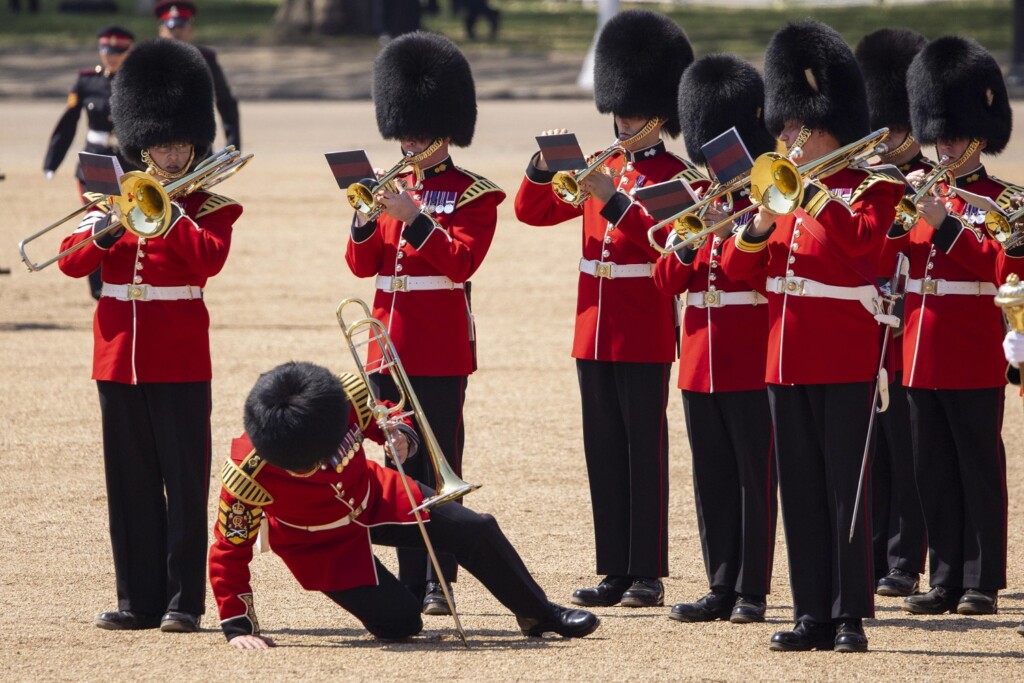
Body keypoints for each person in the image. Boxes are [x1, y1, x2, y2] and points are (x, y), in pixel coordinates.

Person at [719, 20, 903, 652]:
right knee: (797, 486)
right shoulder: (780, 191)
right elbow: (739, 270)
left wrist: (813, 194)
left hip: (845, 348)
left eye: (797, 128)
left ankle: (850, 613)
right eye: (785, 128)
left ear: (827, 125)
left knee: (842, 486)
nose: (788, 139)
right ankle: (810, 613)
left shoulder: (876, 185)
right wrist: (763, 220)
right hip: (783, 352)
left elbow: (863, 251)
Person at [208, 361, 600, 648]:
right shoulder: (248, 472)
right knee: (401, 622)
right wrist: (239, 626)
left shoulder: (338, 400)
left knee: (474, 528)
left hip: (375, 497)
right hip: (320, 545)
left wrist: (401, 437)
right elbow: (230, 550)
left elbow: (389, 417)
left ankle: (539, 613)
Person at [515, 10, 702, 610]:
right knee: (603, 449)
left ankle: (646, 571)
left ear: (659, 113)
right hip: (591, 327)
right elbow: (533, 213)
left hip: (642, 322)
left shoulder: (677, 175)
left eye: (631, 110)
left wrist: (615, 201)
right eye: (617, 109)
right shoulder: (604, 162)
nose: (621, 120)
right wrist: (541, 169)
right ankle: (614, 567)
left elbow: (666, 240)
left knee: (642, 448)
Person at [56, 39, 243, 633]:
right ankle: (137, 599)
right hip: (117, 356)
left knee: (184, 484)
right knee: (130, 483)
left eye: (181, 143)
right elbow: (69, 262)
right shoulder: (110, 196)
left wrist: (170, 214)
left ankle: (183, 601)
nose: (170, 153)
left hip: (180, 355)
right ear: (142, 142)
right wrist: (110, 228)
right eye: (161, 143)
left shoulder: (211, 206)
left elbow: (207, 262)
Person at [345, 31, 503, 616]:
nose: (408, 141)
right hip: (387, 344)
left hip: (436, 348)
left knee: (437, 468)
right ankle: (412, 580)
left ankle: (441, 579)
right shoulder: (390, 189)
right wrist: (365, 221)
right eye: (403, 131)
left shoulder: (473, 194)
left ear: (445, 129)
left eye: (417, 131)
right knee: (397, 464)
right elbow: (363, 266)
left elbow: (461, 262)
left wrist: (414, 220)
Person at [883, 35, 1018, 618]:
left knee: (977, 468)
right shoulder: (921, 194)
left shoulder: (1004, 203)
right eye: (938, 135)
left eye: (954, 136)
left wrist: (943, 226)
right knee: (931, 470)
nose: (944, 145)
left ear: (979, 138)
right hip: (919, 349)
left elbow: (1003, 268)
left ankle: (980, 580)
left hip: (972, 349)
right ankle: (942, 578)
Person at [652, 54, 778, 626]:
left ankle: (753, 589)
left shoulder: (767, 194)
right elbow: (665, 280)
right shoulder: (695, 192)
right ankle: (719, 583)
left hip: (749, 347)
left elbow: (757, 273)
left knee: (756, 474)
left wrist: (731, 233)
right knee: (713, 478)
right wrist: (691, 240)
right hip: (699, 354)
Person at [854, 27, 930, 600]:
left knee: (905, 446)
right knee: (869, 444)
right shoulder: (868, 179)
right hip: (863, 320)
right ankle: (875, 550)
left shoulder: (928, 180)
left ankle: (905, 558)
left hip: (910, 325)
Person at [43, 25, 135, 301]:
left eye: (119, 51)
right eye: (108, 50)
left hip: (130, 161)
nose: (113, 56)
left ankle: (125, 278)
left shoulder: (139, 82)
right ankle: (97, 287)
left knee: (130, 221)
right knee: (97, 220)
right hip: (96, 160)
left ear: (129, 51)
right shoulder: (86, 81)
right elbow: (68, 124)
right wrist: (52, 161)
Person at [154, 0, 241, 151]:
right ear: (161, 30)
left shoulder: (206, 60)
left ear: (191, 29)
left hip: (197, 147)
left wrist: (233, 144)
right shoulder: (146, 62)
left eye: (181, 26)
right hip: (158, 147)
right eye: (170, 27)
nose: (176, 32)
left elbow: (226, 102)